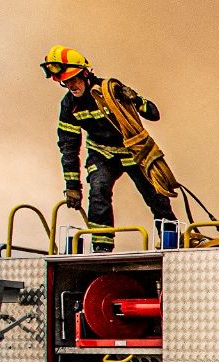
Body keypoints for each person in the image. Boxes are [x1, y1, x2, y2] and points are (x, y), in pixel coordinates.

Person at [42, 45, 175, 251]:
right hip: (101, 153)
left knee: (156, 197)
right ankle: (102, 247)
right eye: (65, 82)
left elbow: (154, 113)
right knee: (99, 190)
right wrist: (73, 187)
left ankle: (171, 242)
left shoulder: (111, 90)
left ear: (85, 74)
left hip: (133, 151)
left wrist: (136, 99)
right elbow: (68, 147)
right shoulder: (70, 106)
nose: (71, 85)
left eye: (73, 79)